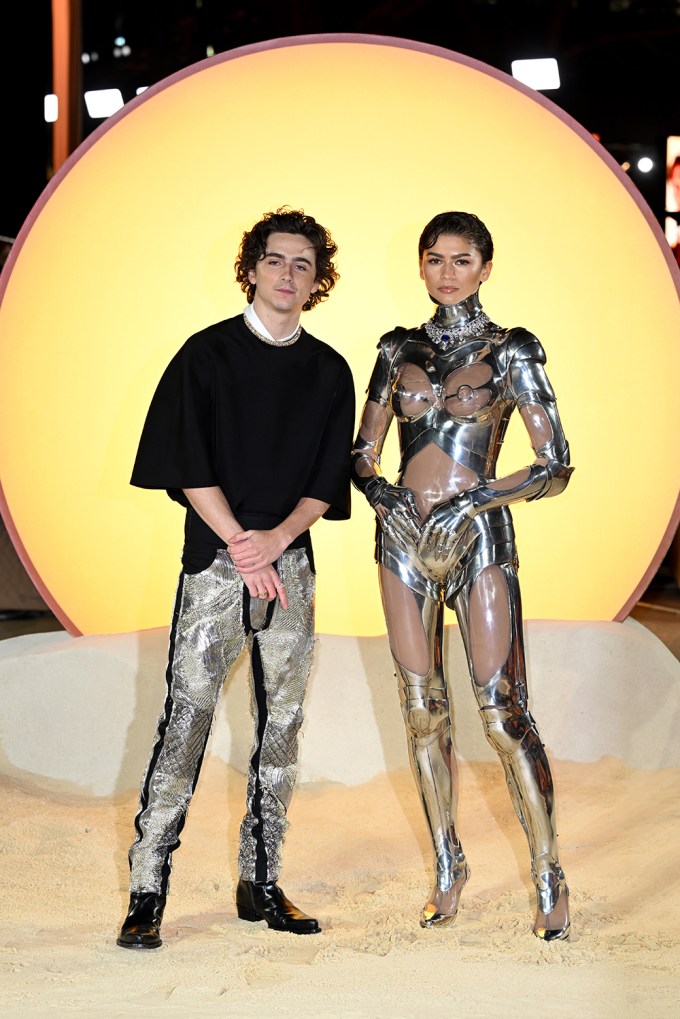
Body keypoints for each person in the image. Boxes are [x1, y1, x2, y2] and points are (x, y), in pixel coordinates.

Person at [117, 207, 355, 949]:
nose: (289, 275)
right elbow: (187, 465)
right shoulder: (205, 356)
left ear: (318, 282)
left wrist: (278, 540)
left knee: (281, 725)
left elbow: (325, 482)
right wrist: (241, 547)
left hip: (290, 570)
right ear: (251, 266)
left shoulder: (329, 371)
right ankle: (148, 888)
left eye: (304, 265)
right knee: (186, 719)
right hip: (215, 565)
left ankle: (262, 878)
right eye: (277, 260)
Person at [351, 211, 573, 941]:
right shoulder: (394, 349)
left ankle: (547, 869)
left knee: (503, 712)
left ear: (485, 267)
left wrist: (477, 498)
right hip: (403, 540)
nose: (448, 271)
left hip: (479, 534)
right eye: (436, 259)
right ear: (421, 266)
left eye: (463, 259)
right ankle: (448, 863)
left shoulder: (513, 350)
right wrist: (381, 494)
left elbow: (555, 464)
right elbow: (364, 454)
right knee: (421, 711)